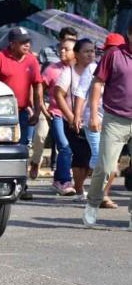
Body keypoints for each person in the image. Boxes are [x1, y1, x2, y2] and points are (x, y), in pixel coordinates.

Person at [82, 23, 132, 230]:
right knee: (105, 167)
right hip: (115, 119)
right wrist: (93, 115)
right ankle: (93, 203)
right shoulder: (114, 55)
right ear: (129, 34)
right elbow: (97, 83)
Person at [0, 27, 43, 200]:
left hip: (21, 112)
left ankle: (22, 185)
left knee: (22, 149)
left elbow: (38, 85)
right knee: (1, 149)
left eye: (28, 41)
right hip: (0, 114)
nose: (27, 45)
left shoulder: (32, 61)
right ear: (12, 44)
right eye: (22, 42)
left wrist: (37, 109)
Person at [73, 35, 124, 208]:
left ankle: (100, 194)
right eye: (112, 49)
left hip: (115, 121)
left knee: (111, 161)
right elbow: (81, 92)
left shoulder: (124, 67)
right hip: (93, 120)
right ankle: (98, 195)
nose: (116, 52)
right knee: (100, 158)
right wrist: (77, 115)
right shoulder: (94, 68)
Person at [55, 38, 95, 199]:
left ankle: (80, 185)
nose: (91, 54)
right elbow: (58, 94)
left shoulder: (98, 70)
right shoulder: (69, 72)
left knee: (90, 157)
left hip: (93, 122)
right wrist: (72, 117)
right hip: (73, 122)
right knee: (80, 156)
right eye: (86, 51)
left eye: (93, 51)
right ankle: (79, 189)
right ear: (77, 54)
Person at [40, 38, 76, 196]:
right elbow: (39, 87)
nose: (62, 51)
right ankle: (65, 181)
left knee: (69, 148)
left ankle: (57, 180)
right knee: (65, 147)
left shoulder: (80, 70)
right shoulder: (52, 69)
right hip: (56, 113)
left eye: (66, 49)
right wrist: (42, 107)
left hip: (74, 116)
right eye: (60, 49)